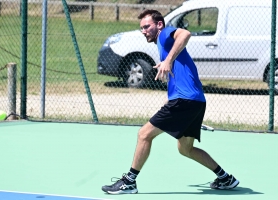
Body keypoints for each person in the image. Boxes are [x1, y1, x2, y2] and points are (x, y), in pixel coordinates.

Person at [101, 9, 239, 194]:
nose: (144, 31)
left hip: (185, 101)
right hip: (195, 102)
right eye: (141, 28)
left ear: (158, 25)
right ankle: (225, 178)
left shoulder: (165, 34)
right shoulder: (162, 44)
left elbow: (186, 34)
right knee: (186, 149)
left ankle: (129, 182)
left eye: (147, 26)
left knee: (144, 135)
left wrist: (167, 60)